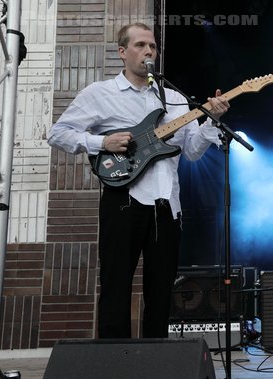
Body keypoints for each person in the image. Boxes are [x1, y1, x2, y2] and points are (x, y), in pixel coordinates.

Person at [47, 22, 230, 338]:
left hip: (167, 206)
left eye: (153, 46)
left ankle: (155, 366)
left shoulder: (173, 99)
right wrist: (102, 143)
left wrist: (210, 123)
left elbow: (192, 153)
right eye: (141, 45)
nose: (149, 51)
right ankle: (113, 368)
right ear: (122, 52)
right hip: (124, 201)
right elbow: (58, 133)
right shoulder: (100, 93)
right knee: (116, 287)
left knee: (161, 294)